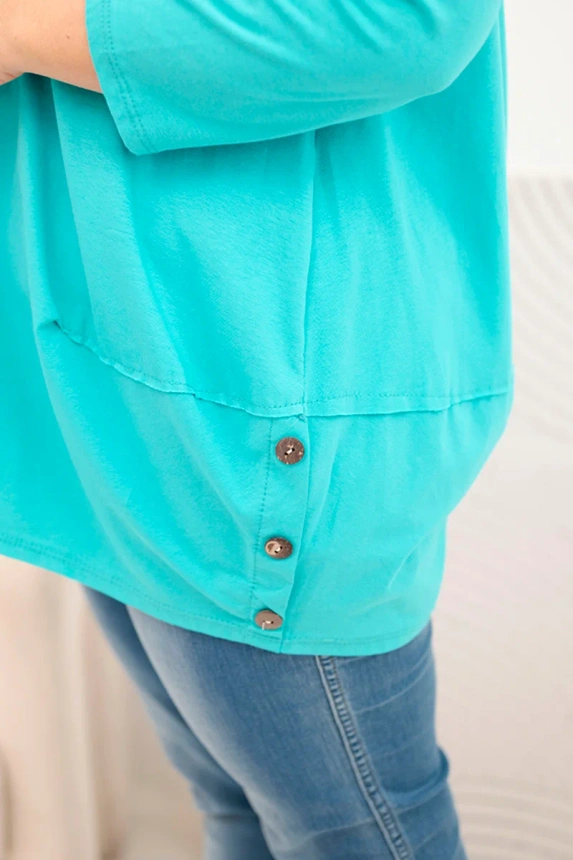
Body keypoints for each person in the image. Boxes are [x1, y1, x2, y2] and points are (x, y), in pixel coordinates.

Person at [0, 0, 514, 856]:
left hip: (242, 408)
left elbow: (409, 21)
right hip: (111, 381)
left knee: (355, 833)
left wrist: (15, 30)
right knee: (235, 808)